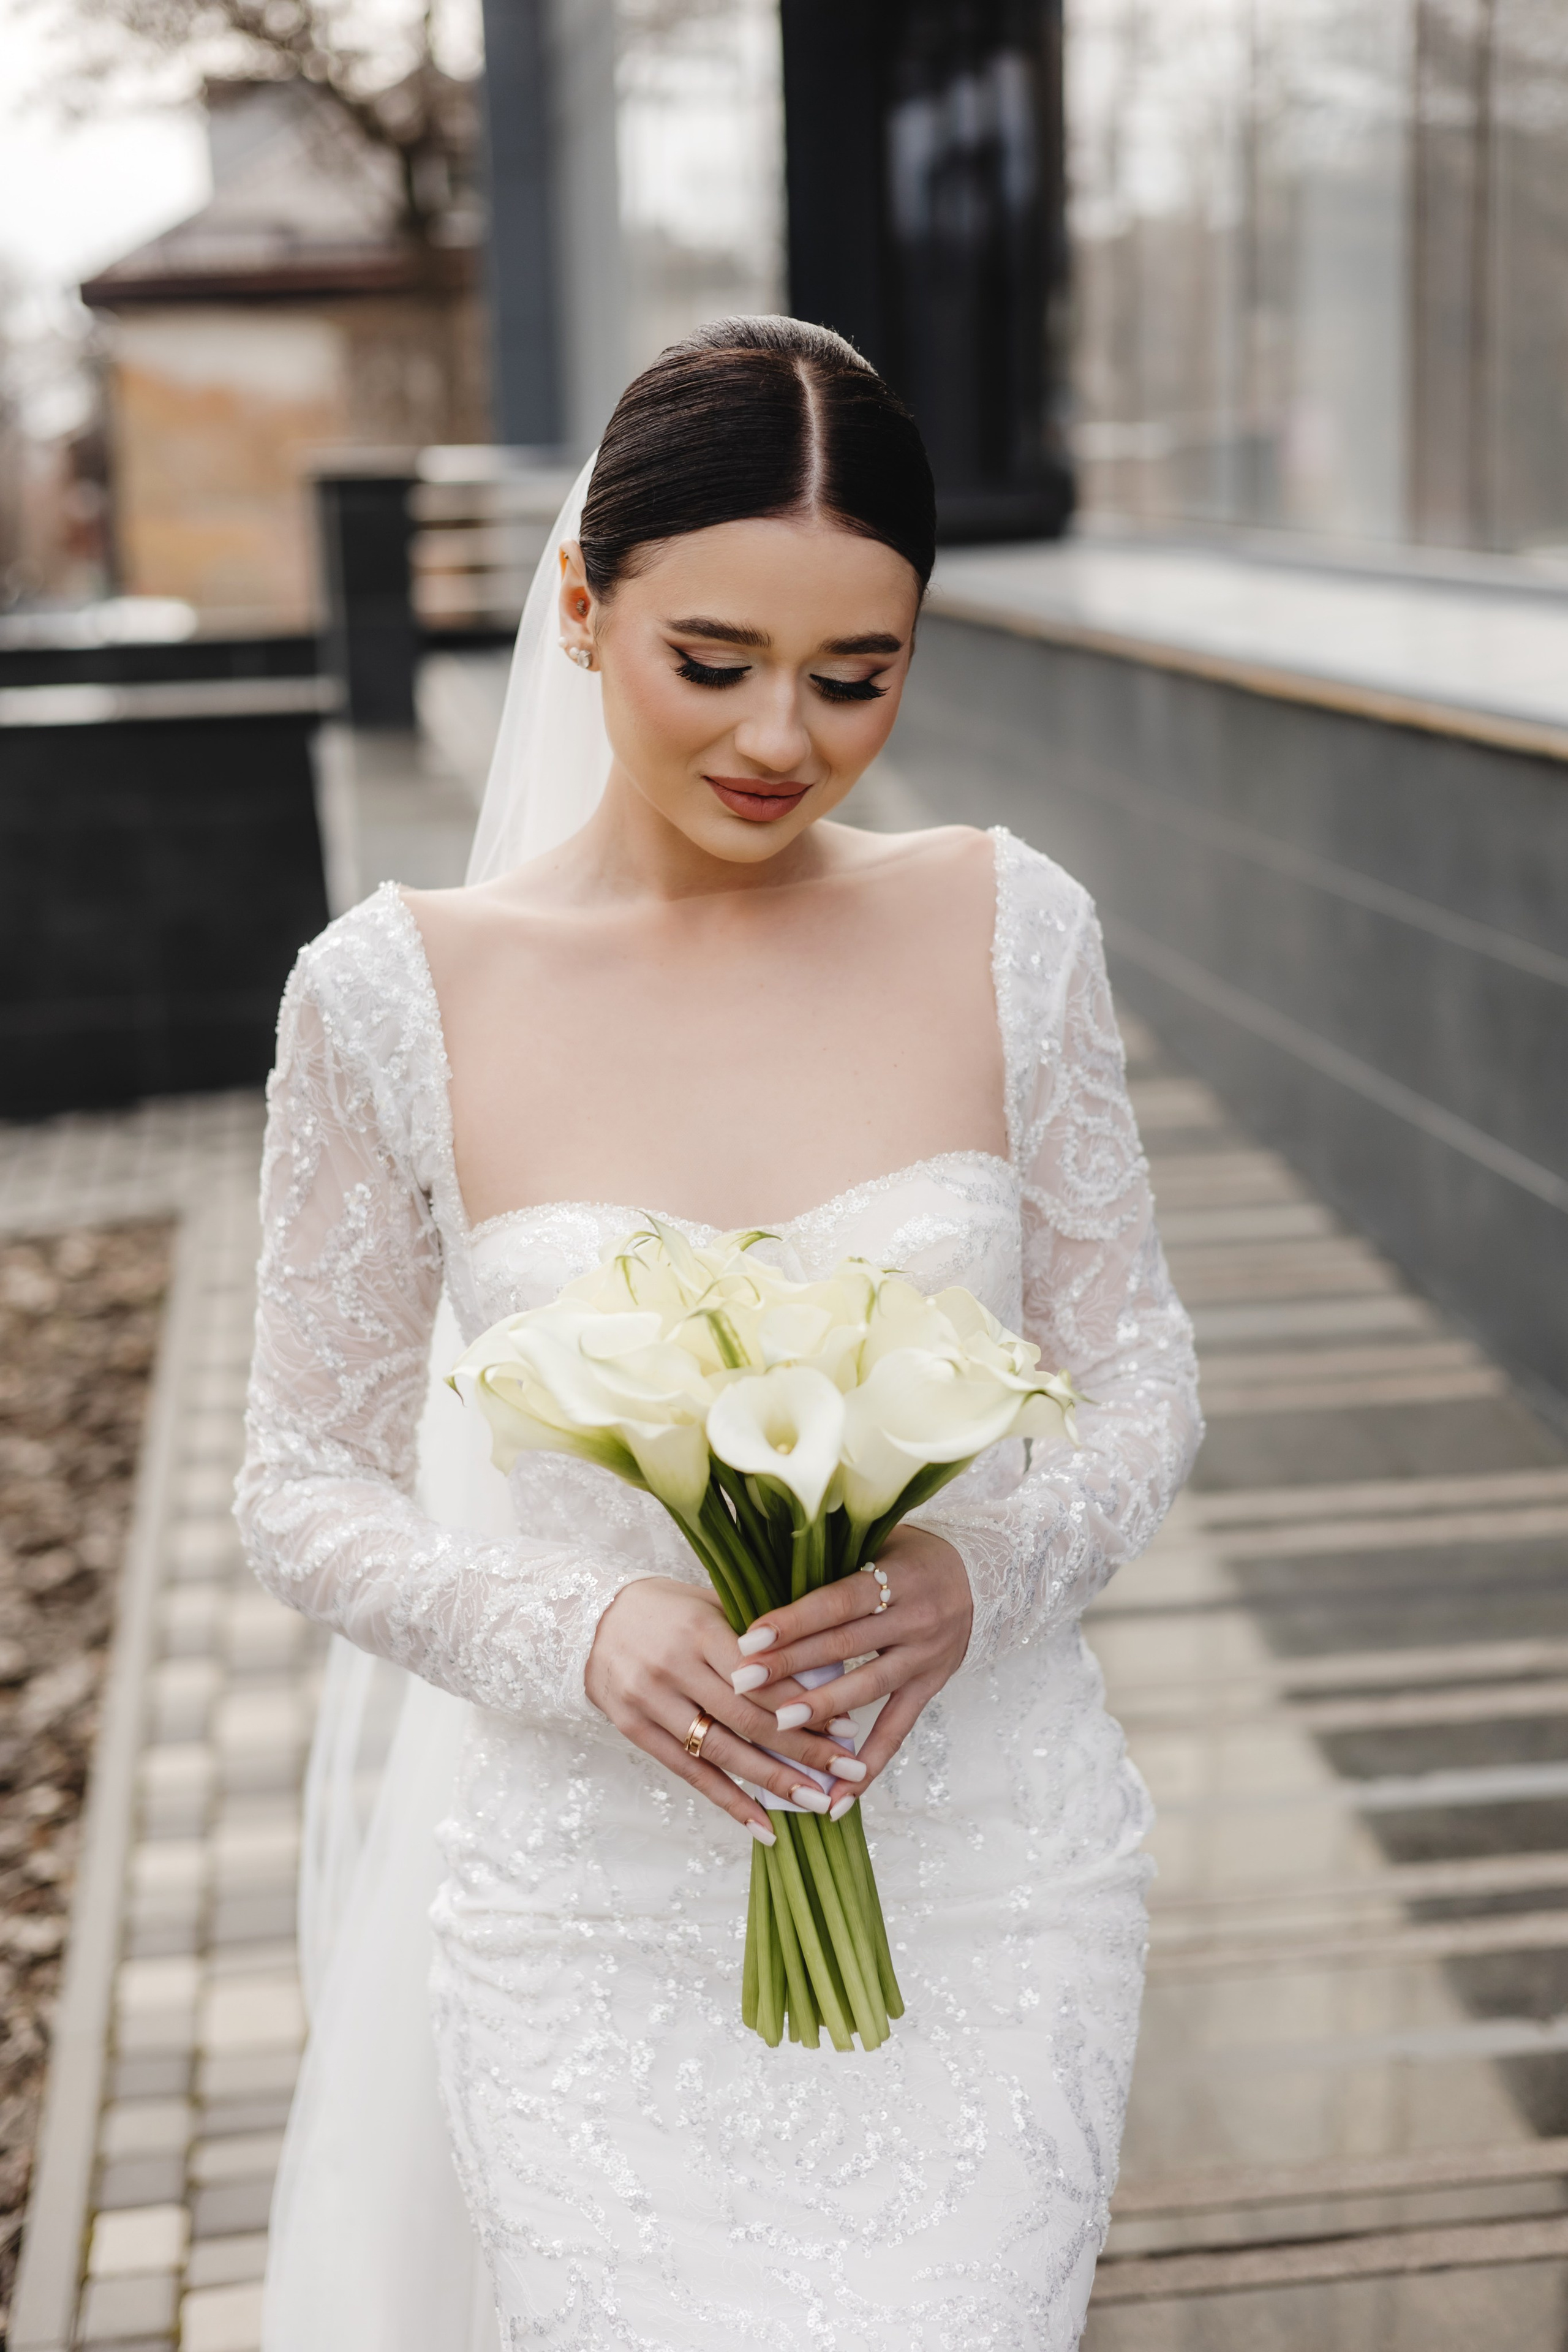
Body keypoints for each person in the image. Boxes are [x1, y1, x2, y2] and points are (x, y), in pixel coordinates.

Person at [236, 316, 1202, 2352]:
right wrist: (574, 1632)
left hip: (989, 1867)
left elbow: (1138, 1379)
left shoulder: (1009, 924)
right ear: (581, 610)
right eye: (718, 662)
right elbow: (298, 1484)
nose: (785, 734)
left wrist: (979, 1567)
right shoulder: (391, 993)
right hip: (595, 1897)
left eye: (859, 676)